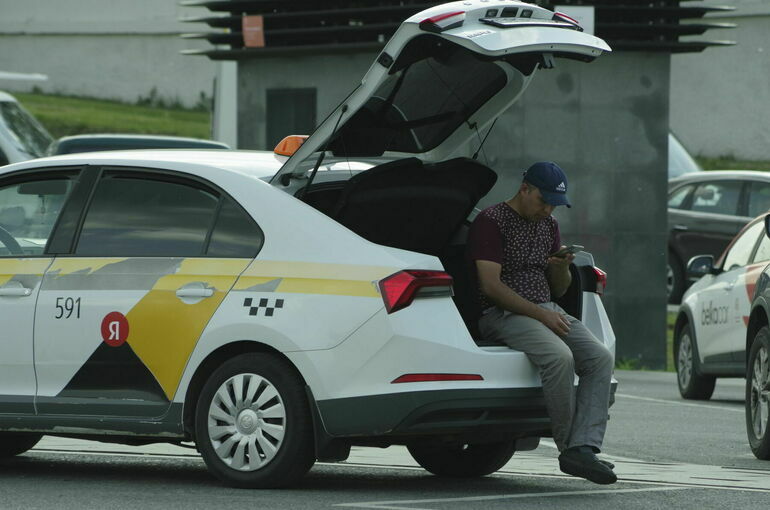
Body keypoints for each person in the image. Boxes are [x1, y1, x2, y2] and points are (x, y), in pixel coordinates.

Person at [468, 161, 616, 485]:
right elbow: (490, 286)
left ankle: (585, 447)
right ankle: (568, 450)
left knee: (599, 357)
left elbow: (559, 289)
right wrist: (543, 315)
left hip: (544, 307)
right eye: (543, 200)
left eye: (554, 204)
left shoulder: (548, 225)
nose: (547, 208)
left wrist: (561, 266)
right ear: (525, 189)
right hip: (501, 314)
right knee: (559, 357)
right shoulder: (491, 222)